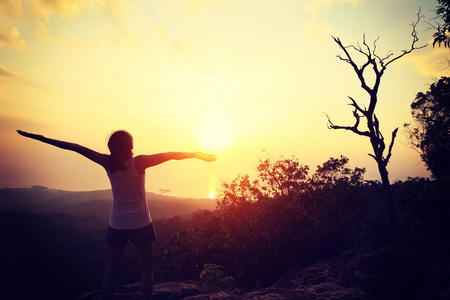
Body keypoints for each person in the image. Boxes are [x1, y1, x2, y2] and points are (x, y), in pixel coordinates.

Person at [17, 130, 217, 300]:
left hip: (117, 226)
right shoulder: (139, 163)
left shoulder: (107, 162)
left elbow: (75, 147)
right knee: (146, 271)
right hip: (142, 225)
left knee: (111, 272)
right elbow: (170, 154)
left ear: (112, 148)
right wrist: (198, 154)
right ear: (131, 146)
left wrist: (40, 138)